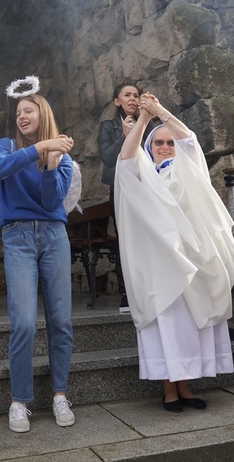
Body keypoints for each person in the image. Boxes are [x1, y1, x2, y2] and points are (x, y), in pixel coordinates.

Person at [114, 92, 234, 412]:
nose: (167, 147)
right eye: (159, 143)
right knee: (167, 323)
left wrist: (160, 112)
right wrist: (144, 120)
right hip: (161, 260)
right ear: (149, 148)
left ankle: (185, 386)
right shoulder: (142, 173)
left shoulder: (188, 169)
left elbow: (190, 140)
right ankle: (169, 390)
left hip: (194, 256)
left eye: (169, 143)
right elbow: (125, 160)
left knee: (189, 323)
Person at [0, 93, 76, 433]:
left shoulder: (61, 154)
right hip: (17, 237)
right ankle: (19, 401)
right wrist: (41, 149)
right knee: (23, 322)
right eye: (18, 112)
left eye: (29, 110)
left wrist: (52, 163)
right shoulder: (6, 145)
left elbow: (52, 201)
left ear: (43, 113)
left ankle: (59, 395)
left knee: (61, 321)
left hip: (54, 237)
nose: (22, 116)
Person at [97, 82, 140, 314]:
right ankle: (127, 294)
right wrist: (124, 135)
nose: (132, 98)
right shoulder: (108, 126)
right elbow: (106, 158)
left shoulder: (147, 123)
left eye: (136, 95)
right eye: (127, 95)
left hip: (145, 188)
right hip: (121, 188)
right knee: (125, 238)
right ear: (117, 101)